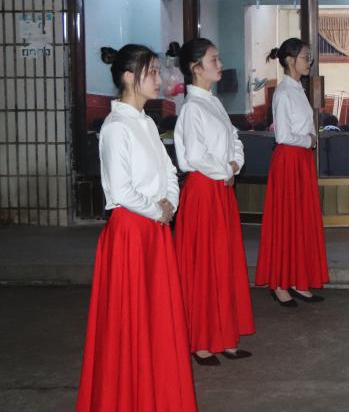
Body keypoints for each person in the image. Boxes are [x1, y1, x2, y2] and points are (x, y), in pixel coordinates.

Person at [77, 45, 196, 411]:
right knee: (129, 323)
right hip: (130, 233)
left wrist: (170, 203)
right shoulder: (116, 127)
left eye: (159, 71)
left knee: (156, 319)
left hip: (154, 229)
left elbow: (170, 172)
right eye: (152, 72)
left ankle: (156, 395)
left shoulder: (146, 122)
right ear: (129, 77)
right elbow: (120, 190)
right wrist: (158, 210)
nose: (160, 79)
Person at [171, 38, 254, 366]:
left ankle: (224, 335)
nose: (220, 65)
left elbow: (234, 138)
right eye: (213, 60)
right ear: (196, 68)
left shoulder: (213, 102)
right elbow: (194, 156)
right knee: (205, 266)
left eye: (218, 58)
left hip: (219, 189)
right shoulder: (192, 107)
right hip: (204, 192)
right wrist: (226, 170)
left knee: (223, 263)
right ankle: (201, 341)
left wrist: (234, 164)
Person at [255, 38, 329, 307]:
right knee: (286, 222)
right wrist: (309, 140)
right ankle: (278, 284)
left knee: (301, 221)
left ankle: (298, 280)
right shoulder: (283, 92)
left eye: (309, 57)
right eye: (304, 57)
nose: (309, 61)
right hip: (289, 161)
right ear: (290, 60)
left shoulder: (297, 88)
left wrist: (308, 142)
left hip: (301, 160)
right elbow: (284, 136)